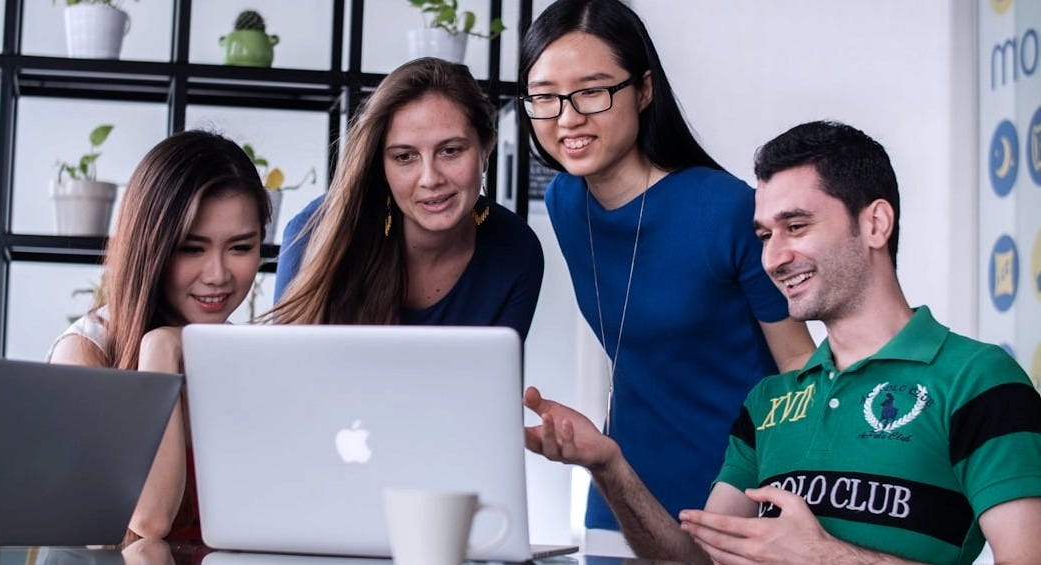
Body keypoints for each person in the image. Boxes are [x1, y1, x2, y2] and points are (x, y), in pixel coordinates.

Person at [524, 120, 1041, 564]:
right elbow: (699, 560)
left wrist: (825, 555)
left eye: (796, 226)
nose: (774, 258)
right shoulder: (768, 402)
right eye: (766, 235)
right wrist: (609, 464)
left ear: (875, 223)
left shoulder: (979, 380)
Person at [517, 0, 814, 547]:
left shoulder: (724, 209)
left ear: (644, 89)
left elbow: (799, 366)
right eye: (545, 97)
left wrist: (790, 502)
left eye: (591, 91)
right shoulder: (564, 202)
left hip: (737, 498)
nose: (567, 117)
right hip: (620, 492)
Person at [48, 130, 271, 540]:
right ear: (151, 247)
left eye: (240, 248)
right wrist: (160, 351)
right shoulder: (85, 352)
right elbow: (148, 520)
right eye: (191, 248)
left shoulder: (242, 355)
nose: (218, 275)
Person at [271, 58, 544, 339]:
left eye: (450, 150)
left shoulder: (517, 250)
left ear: (486, 148)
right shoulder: (315, 231)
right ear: (382, 165)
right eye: (404, 157)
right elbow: (285, 372)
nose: (430, 178)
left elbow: (494, 379)